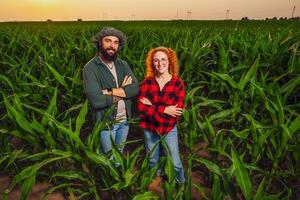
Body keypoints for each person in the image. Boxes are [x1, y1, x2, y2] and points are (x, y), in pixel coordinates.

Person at [83, 27, 139, 156]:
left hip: (124, 121)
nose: (112, 46)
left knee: (119, 153)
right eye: (108, 41)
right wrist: (124, 92)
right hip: (106, 123)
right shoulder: (90, 68)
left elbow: (135, 88)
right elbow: (97, 101)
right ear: (100, 43)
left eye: (116, 42)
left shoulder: (123, 64)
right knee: (108, 157)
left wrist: (109, 91)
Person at [138, 46, 186, 185]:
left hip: (168, 128)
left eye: (163, 59)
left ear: (169, 61)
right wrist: (165, 110)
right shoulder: (147, 82)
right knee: (152, 159)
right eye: (156, 60)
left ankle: (181, 183)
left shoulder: (178, 84)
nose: (160, 64)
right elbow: (141, 107)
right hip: (149, 127)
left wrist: (151, 107)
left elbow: (176, 112)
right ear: (152, 63)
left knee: (175, 162)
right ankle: (157, 179)